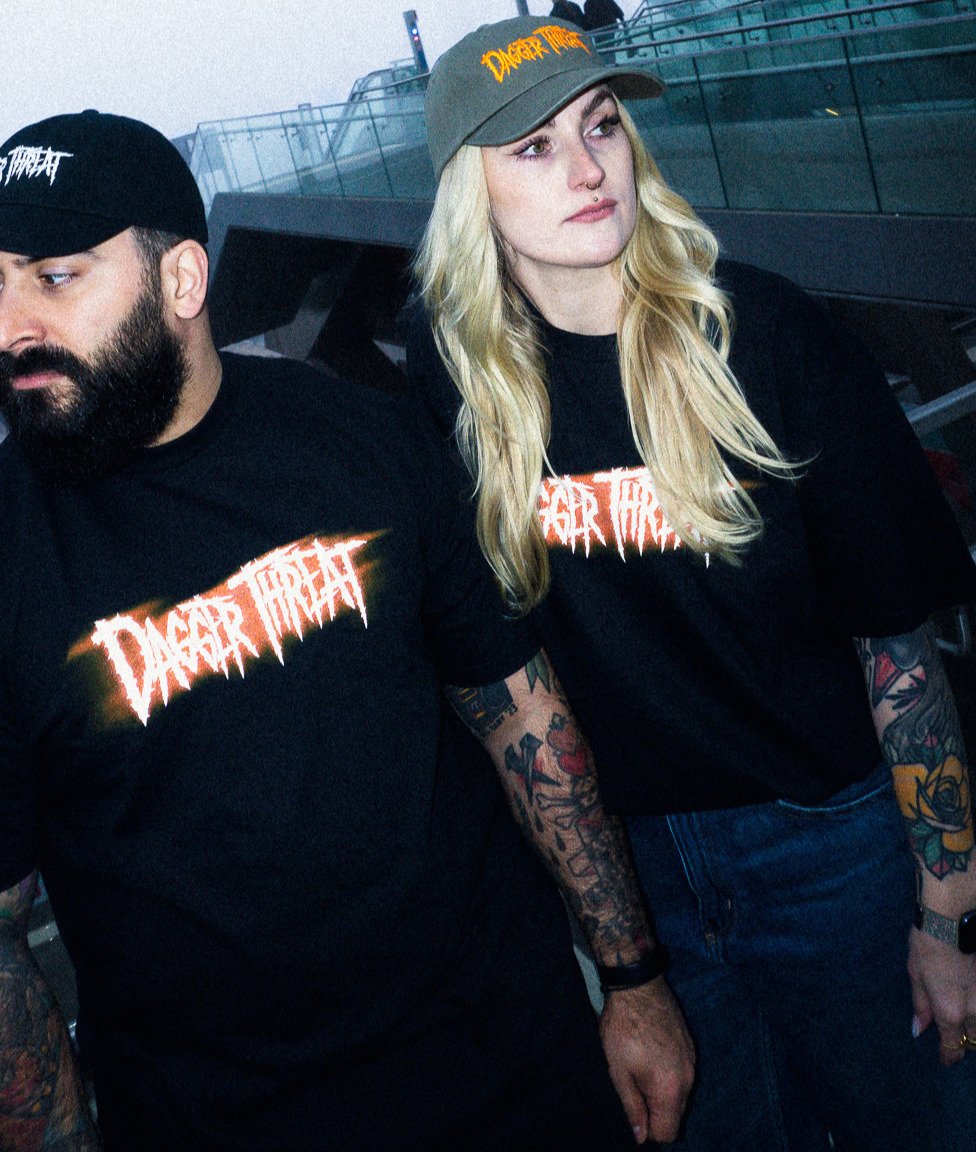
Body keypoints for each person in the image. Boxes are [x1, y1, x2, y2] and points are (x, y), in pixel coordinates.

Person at [0, 109, 694, 1151]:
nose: (8, 328)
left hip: (517, 1072)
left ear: (182, 280)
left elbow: (521, 715)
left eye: (56, 277)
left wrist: (633, 979)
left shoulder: (363, 438)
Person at [406, 15, 976, 1152]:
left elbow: (897, 650)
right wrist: (621, 959)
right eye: (534, 148)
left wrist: (949, 910)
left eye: (601, 126)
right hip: (642, 880)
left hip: (830, 842)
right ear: (471, 192)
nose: (587, 169)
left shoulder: (766, 335)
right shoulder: (461, 384)